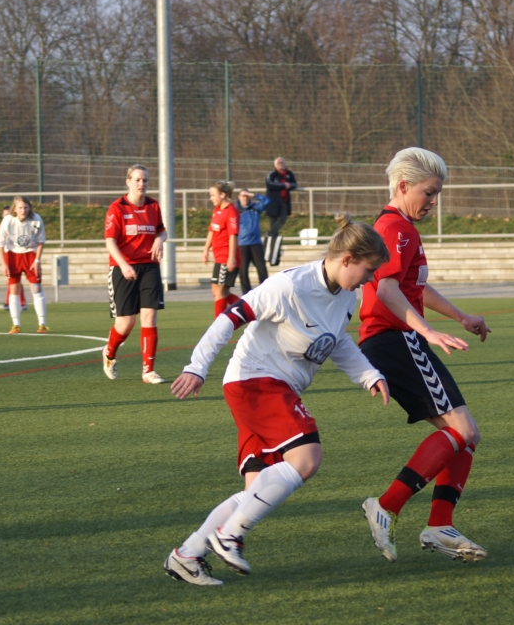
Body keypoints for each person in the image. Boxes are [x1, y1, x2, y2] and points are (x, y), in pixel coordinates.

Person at [164, 213, 391, 586]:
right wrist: (196, 366)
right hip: (256, 382)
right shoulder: (289, 286)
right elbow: (229, 318)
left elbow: (337, 341)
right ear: (347, 259)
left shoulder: (348, 295)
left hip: (272, 387)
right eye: (368, 269)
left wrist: (368, 375)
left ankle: (187, 555)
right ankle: (228, 535)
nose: (371, 278)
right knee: (306, 457)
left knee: (256, 490)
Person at [358, 147, 492, 564]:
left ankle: (438, 524)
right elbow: (386, 291)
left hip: (395, 339)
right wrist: (428, 332)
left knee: (465, 436)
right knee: (463, 432)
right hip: (394, 339)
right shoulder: (394, 227)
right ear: (403, 187)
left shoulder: (400, 229)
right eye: (429, 193)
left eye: (437, 194)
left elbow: (412, 286)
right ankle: (388, 506)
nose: (433, 202)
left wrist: (459, 315)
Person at [103, 164, 168, 384]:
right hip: (123, 268)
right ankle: (109, 354)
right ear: (128, 181)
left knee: (149, 316)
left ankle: (148, 371)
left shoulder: (153, 206)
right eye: (138, 180)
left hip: (149, 267)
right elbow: (110, 241)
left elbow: (162, 230)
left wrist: (160, 239)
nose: (142, 184)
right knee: (126, 323)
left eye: (146, 180)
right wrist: (123, 265)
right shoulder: (117, 208)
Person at [0, 196, 48, 334]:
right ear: (15, 209)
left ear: (29, 208)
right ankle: (16, 325)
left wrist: (37, 261)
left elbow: (41, 241)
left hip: (30, 254)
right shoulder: (8, 221)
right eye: (20, 208)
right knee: (14, 289)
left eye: (25, 207)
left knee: (36, 289)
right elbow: (0, 244)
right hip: (12, 255)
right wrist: (3, 263)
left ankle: (42, 324)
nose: (23, 210)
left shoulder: (36, 219)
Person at [203, 181, 241, 317]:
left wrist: (231, 258)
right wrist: (206, 249)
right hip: (219, 256)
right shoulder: (217, 209)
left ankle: (218, 328)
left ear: (223, 195)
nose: (211, 198)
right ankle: (249, 312)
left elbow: (233, 236)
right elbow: (212, 230)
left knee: (219, 292)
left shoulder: (231, 211)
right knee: (219, 291)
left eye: (213, 195)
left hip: (226, 256)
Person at [264, 157, 297, 264]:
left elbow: (294, 184)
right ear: (275, 165)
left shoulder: (289, 174)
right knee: (274, 229)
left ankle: (269, 234)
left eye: (282, 162)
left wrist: (289, 185)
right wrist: (284, 185)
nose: (281, 164)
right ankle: (273, 256)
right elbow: (270, 184)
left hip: (284, 202)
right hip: (273, 203)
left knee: (282, 219)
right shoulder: (272, 175)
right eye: (278, 163)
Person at [236, 187, 269, 293]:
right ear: (239, 197)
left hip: (256, 243)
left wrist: (253, 195)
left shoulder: (255, 208)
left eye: (246, 196)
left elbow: (267, 201)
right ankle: (246, 294)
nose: (245, 198)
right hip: (242, 244)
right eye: (243, 196)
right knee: (243, 271)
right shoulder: (236, 211)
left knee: (262, 269)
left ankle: (265, 292)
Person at [0, 205, 26, 313]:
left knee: (14, 280)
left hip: (16, 253)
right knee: (11, 280)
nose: (7, 216)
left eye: (8, 214)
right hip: (6, 254)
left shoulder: (15, 224)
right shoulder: (2, 226)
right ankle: (10, 302)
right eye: (5, 214)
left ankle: (21, 302)